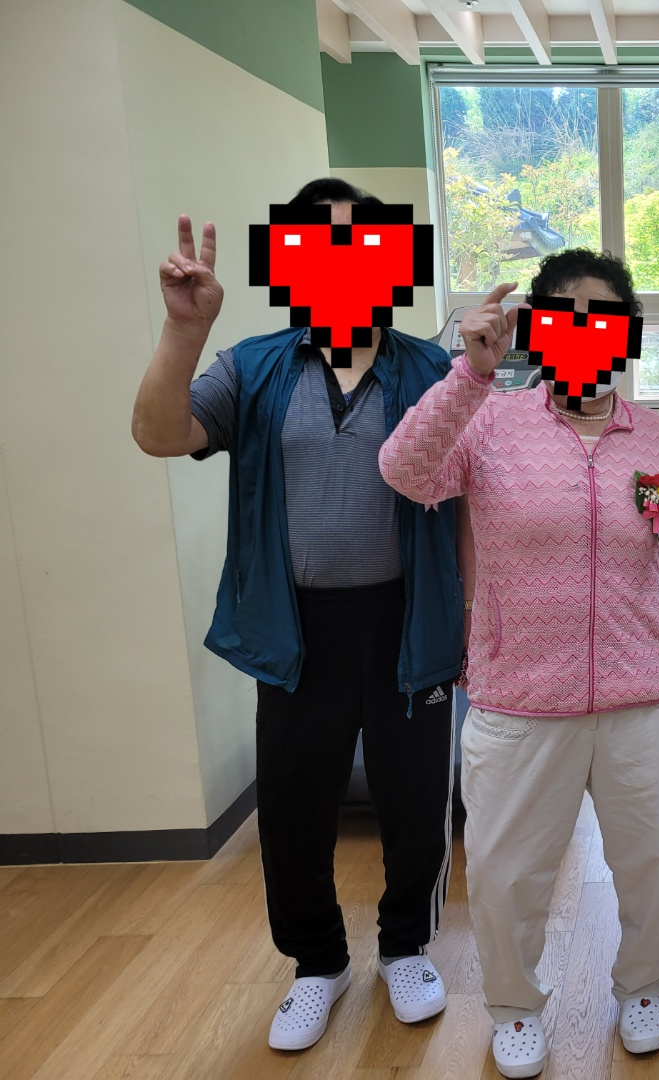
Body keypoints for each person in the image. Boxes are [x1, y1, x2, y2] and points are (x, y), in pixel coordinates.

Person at [130, 179, 462, 1051]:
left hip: (406, 622)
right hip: (294, 626)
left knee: (415, 798)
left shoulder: (429, 370)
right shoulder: (255, 366)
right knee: (291, 804)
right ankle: (318, 962)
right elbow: (159, 433)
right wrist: (184, 332)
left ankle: (406, 947)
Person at [378, 249, 659, 1079]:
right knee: (505, 874)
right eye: (568, 314)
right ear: (539, 328)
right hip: (519, 698)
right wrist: (469, 375)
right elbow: (403, 470)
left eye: (605, 317)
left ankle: (645, 988)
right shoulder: (491, 419)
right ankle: (516, 1007)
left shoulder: (652, 435)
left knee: (649, 865)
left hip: (637, 699)